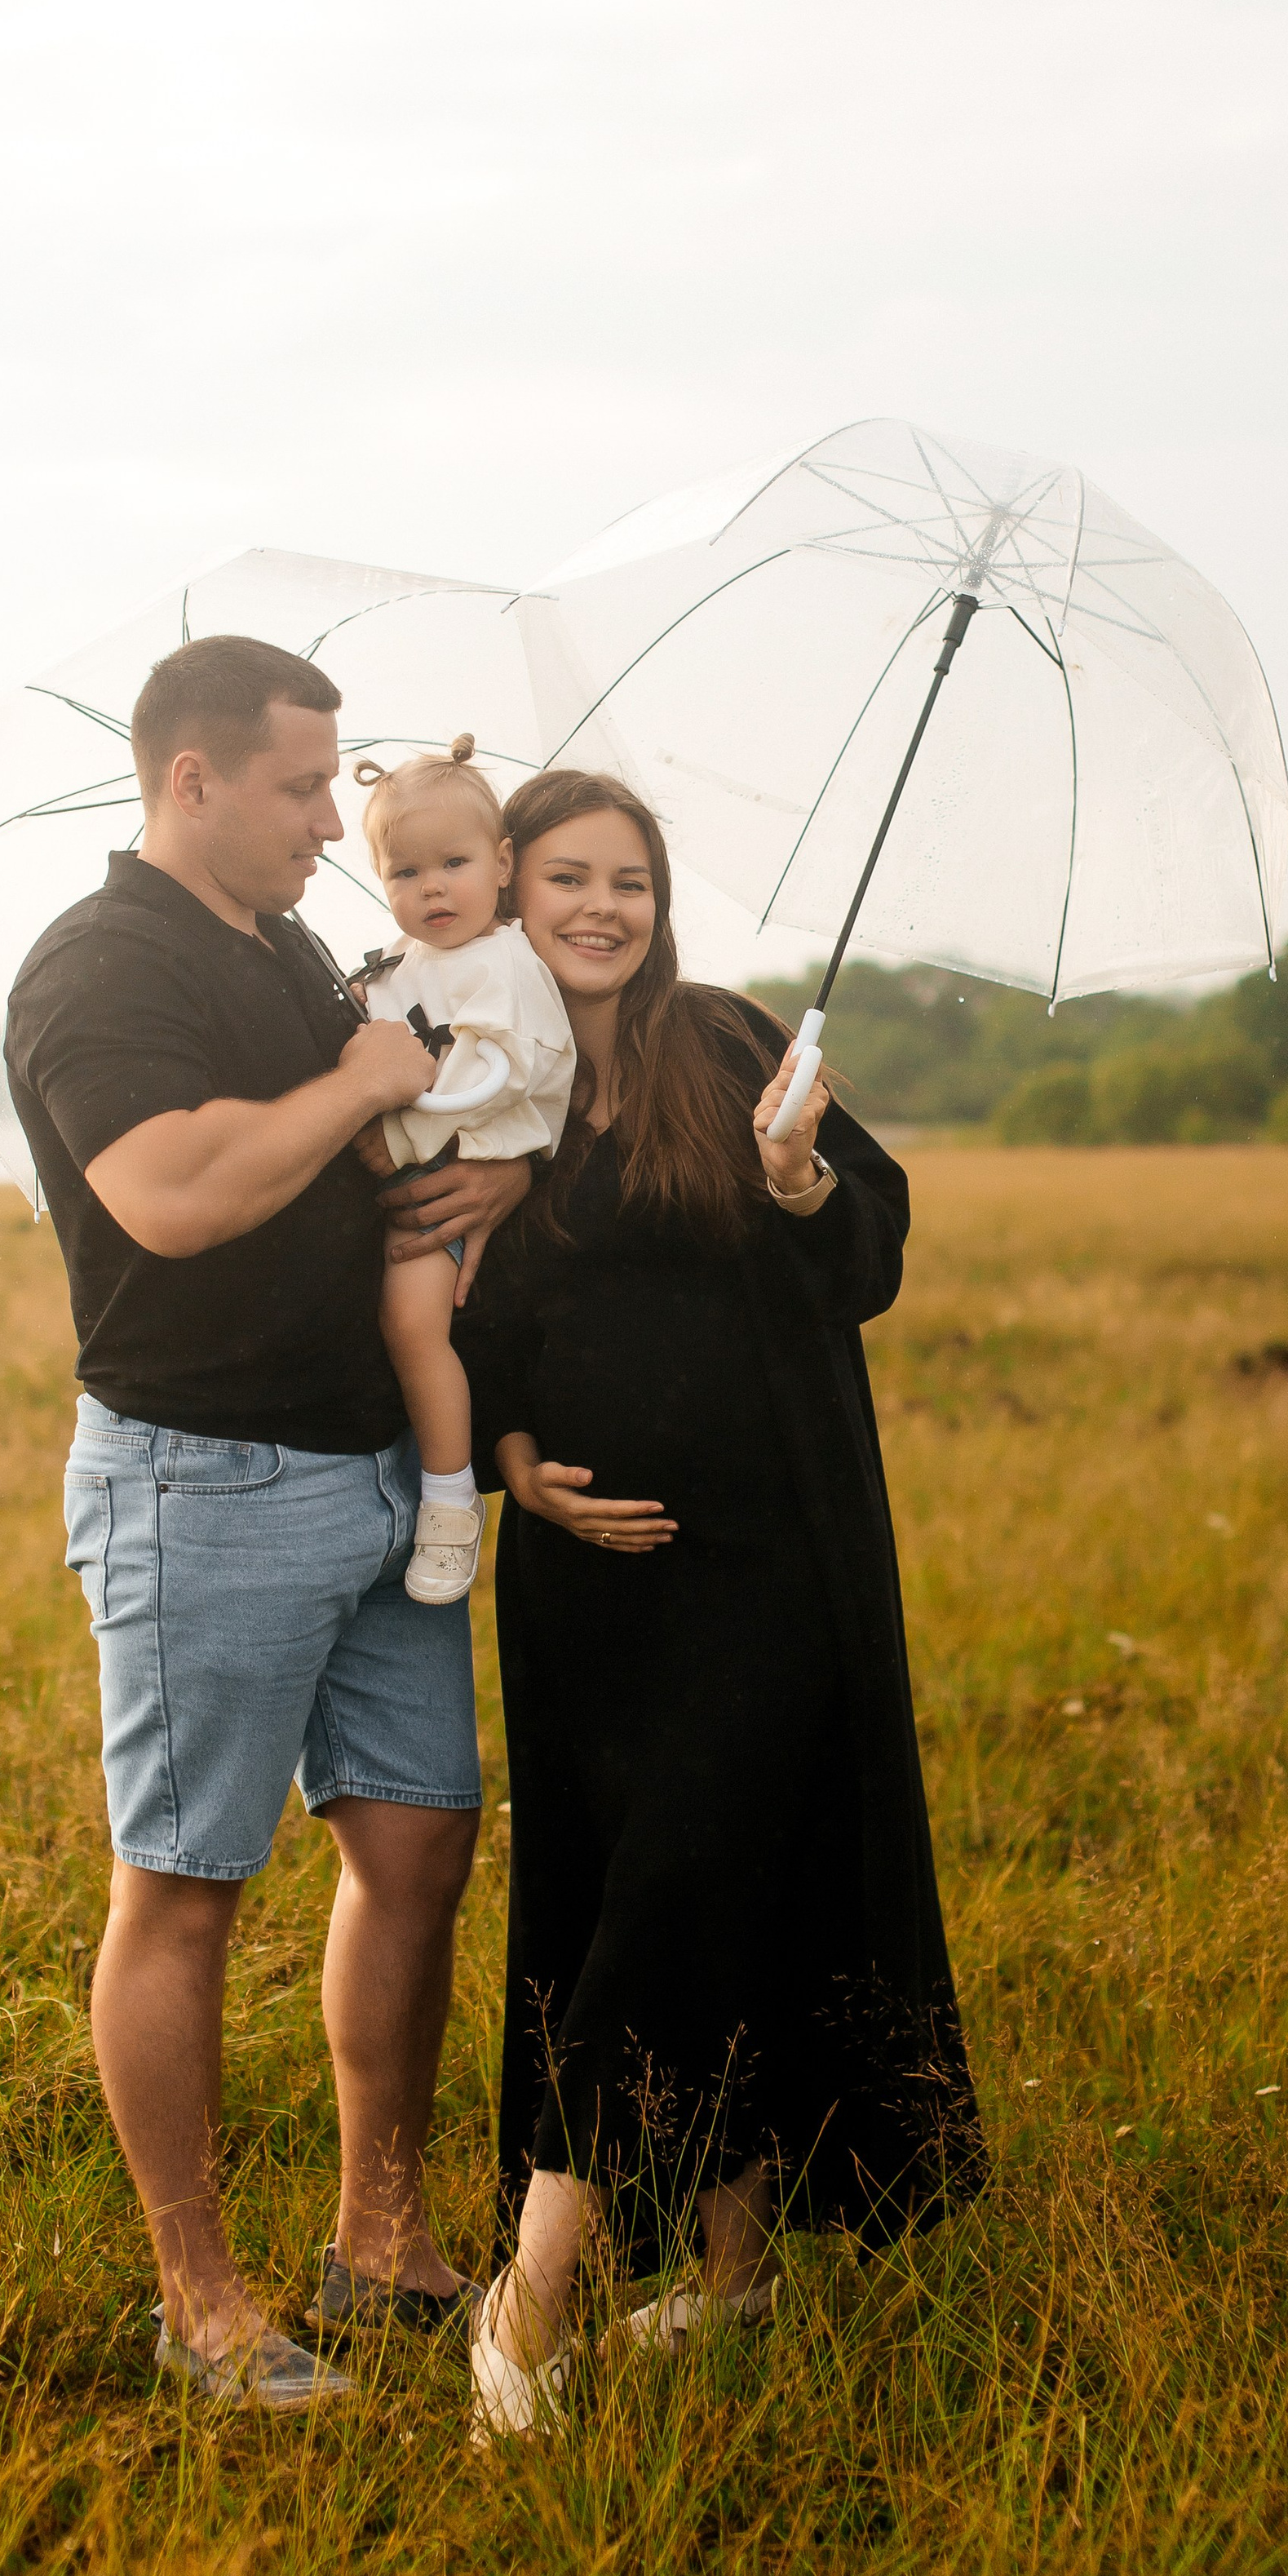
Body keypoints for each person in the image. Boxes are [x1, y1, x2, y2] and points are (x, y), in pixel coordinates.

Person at [3, 633, 532, 2412]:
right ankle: (200, 2297)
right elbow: (171, 1193)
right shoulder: (96, 965)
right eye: (305, 787)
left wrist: (480, 1153)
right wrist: (361, 1086)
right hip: (201, 1479)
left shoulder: (295, 942)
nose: (336, 817)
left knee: (419, 1850)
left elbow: (385, 1135)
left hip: (382, 1469)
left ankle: (378, 2239)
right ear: (193, 779)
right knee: (186, 1891)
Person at [453, 768, 985, 2444]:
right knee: (664, 1899)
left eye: (628, 878)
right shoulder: (491, 1075)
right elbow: (468, 1323)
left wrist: (801, 1184)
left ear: (659, 900)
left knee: (663, 1910)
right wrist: (515, 1463)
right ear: (511, 896)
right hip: (582, 1602)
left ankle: (528, 2301)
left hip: (764, 1574)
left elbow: (871, 1255)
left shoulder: (733, 1047)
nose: (600, 906)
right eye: (566, 878)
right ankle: (734, 2274)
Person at [352, 736, 574, 1607]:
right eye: (405, 871)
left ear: (503, 863)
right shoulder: (407, 964)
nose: (432, 887)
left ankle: (448, 1499)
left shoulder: (507, 962)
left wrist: (396, 1132)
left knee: (412, 1327)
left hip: (457, 1166)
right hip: (424, 1168)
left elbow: (493, 1076)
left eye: (454, 862)